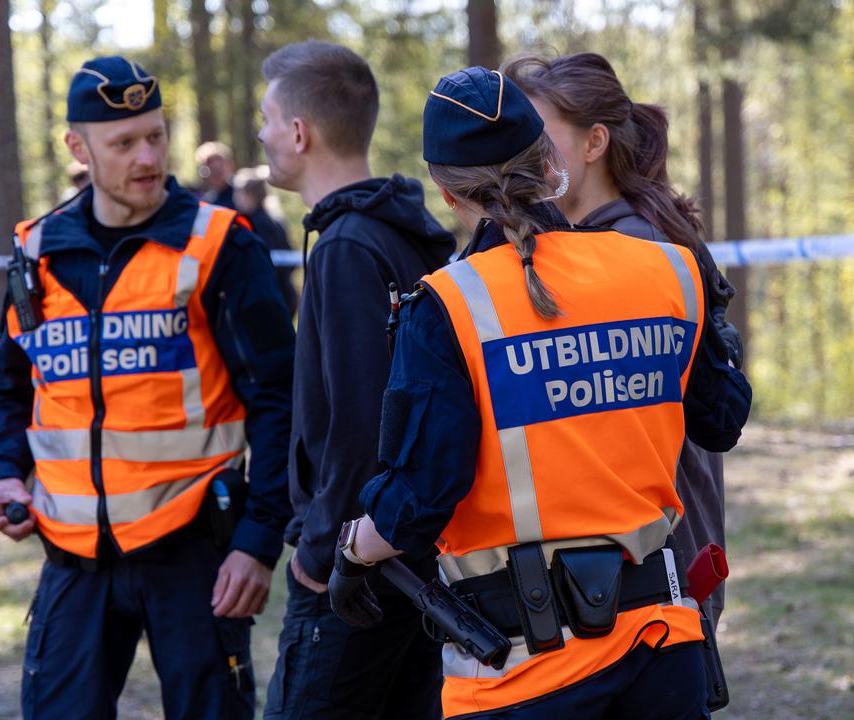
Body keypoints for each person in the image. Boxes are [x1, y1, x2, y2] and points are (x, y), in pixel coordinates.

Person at [327, 67, 752, 720]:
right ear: (549, 165)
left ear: (444, 190)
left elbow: (419, 497)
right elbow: (722, 420)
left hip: (527, 674)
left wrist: (353, 551)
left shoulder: (447, 304)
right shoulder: (668, 268)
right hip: (663, 653)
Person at [0, 56, 296, 719]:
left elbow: (280, 397)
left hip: (196, 554)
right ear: (78, 147)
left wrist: (258, 541)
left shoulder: (217, 245)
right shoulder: (37, 253)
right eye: (124, 143)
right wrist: (4, 475)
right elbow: (8, 390)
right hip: (72, 556)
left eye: (156, 135)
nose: (147, 156)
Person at [503, 52, 742, 627]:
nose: (522, 162)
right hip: (647, 565)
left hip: (658, 568)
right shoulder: (609, 237)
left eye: (539, 140)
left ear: (594, 143)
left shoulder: (634, 249)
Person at [256, 40, 455, 720]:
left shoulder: (347, 248)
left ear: (299, 132)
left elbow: (358, 425)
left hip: (355, 568)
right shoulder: (394, 233)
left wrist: (321, 552)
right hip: (403, 553)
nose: (261, 134)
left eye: (266, 118)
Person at [232, 168, 298, 316]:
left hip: (270, 299)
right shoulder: (273, 220)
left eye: (238, 193)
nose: (235, 198)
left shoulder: (259, 224)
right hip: (281, 296)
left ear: (250, 195)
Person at [197, 141, 237, 209]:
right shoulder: (206, 202)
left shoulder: (240, 196)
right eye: (212, 168)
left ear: (230, 166)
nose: (216, 172)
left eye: (220, 167)